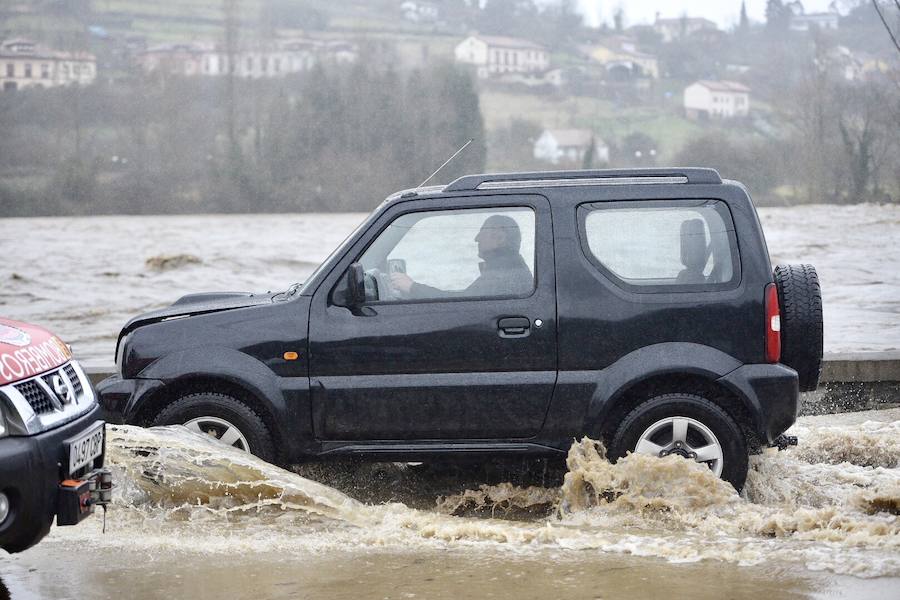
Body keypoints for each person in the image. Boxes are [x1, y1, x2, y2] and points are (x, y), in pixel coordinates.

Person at [390, 214, 533, 299]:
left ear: (500, 238)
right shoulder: (509, 267)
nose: (476, 238)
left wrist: (412, 287)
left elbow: (458, 304)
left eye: (482, 231)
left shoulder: (503, 273)